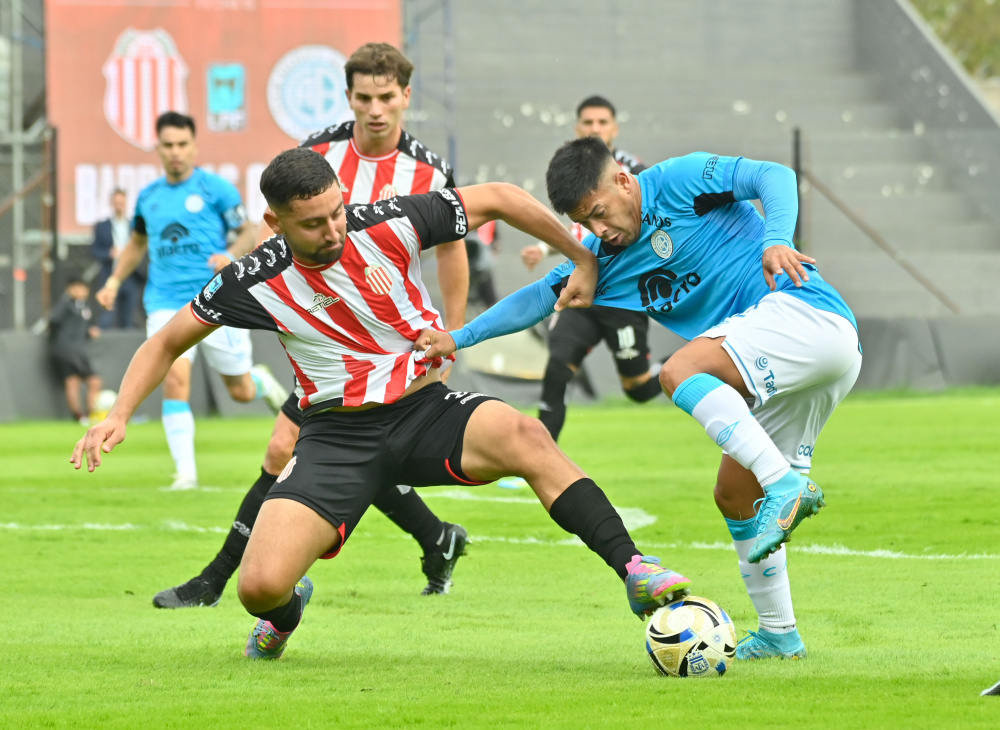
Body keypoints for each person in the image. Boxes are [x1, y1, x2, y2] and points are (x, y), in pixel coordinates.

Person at [71, 146, 693, 661]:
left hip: (427, 411)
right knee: (259, 587)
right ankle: (286, 614)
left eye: (336, 212)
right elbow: (166, 341)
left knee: (527, 436)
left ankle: (635, 568)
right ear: (275, 222)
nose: (333, 230)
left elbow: (500, 195)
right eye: (312, 223)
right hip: (335, 438)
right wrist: (118, 415)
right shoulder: (252, 279)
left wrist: (582, 254)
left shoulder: (388, 220)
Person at [419, 137, 862, 662]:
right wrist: (458, 337)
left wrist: (775, 238)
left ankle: (786, 484)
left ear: (623, 182)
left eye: (601, 212)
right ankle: (779, 633)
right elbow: (537, 299)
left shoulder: (679, 180)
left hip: (807, 315)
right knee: (735, 494)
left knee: (679, 371)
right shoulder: (605, 260)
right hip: (796, 359)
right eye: (586, 222)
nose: (600, 229)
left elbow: (773, 176)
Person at [151, 43, 470, 608]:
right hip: (324, 334)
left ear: (405, 98)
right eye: (364, 97)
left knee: (301, 450)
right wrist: (242, 262)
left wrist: (456, 329)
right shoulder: (317, 151)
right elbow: (279, 226)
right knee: (303, 449)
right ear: (349, 97)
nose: (375, 110)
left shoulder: (426, 170)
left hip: (395, 342)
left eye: (386, 98)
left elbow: (450, 250)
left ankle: (218, 581)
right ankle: (434, 536)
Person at [96, 111, 287, 491]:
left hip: (217, 300)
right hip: (165, 302)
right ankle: (186, 474)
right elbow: (137, 243)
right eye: (168, 145)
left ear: (194, 146)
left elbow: (246, 230)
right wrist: (114, 281)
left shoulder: (217, 189)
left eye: (182, 144)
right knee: (175, 377)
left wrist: (229, 255)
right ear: (158, 148)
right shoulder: (148, 198)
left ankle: (261, 382)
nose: (175, 152)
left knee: (241, 390)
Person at [520, 96, 661, 443]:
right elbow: (582, 229)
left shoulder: (632, 172)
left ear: (614, 128)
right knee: (557, 366)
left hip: (622, 296)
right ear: (577, 128)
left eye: (602, 123)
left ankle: (688, 358)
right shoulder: (573, 175)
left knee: (638, 389)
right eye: (588, 123)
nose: (595, 129)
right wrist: (542, 247)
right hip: (583, 292)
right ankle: (540, 456)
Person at [50, 278, 102, 424]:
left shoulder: (84, 306)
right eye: (77, 288)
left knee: (86, 381)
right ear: (70, 289)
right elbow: (53, 320)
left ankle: (87, 415)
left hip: (77, 350)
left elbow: (82, 324)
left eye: (84, 288)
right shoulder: (65, 303)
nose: (81, 291)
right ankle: (83, 415)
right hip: (66, 349)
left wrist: (89, 331)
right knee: (80, 381)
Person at [91, 189, 144, 329]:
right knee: (107, 314)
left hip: (130, 276)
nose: (119, 205)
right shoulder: (102, 226)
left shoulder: (134, 225)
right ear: (112, 204)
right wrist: (110, 253)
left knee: (129, 315)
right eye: (116, 202)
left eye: (122, 202)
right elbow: (95, 251)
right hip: (110, 275)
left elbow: (141, 248)